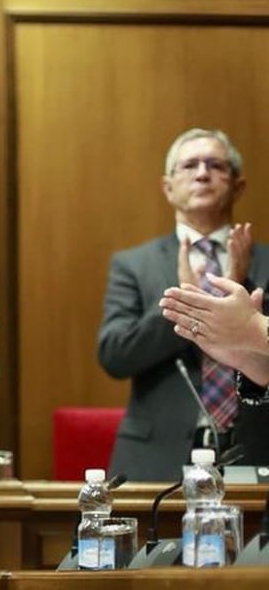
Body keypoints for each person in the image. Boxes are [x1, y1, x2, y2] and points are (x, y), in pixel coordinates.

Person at [98, 127, 269, 479]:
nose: (202, 173)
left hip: (256, 449)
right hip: (156, 458)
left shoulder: (264, 262)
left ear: (238, 186)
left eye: (216, 165)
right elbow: (114, 356)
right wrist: (181, 304)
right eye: (189, 165)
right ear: (168, 187)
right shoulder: (134, 264)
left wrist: (242, 287)